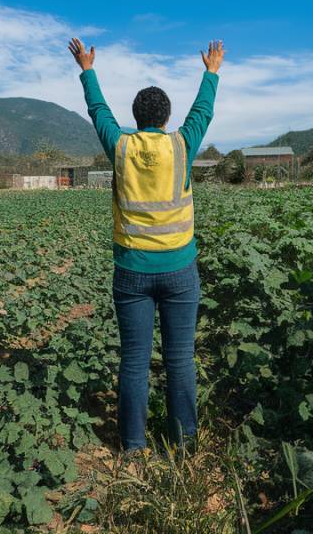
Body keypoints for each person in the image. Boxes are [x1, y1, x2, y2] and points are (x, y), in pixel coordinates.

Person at [67, 37, 224, 452]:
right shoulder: (182, 145)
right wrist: (211, 73)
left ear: (136, 118)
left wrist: (87, 69)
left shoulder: (119, 146)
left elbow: (98, 111)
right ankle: (185, 447)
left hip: (132, 273)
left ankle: (133, 448)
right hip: (180, 273)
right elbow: (202, 112)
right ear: (167, 116)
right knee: (179, 360)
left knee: (134, 361)